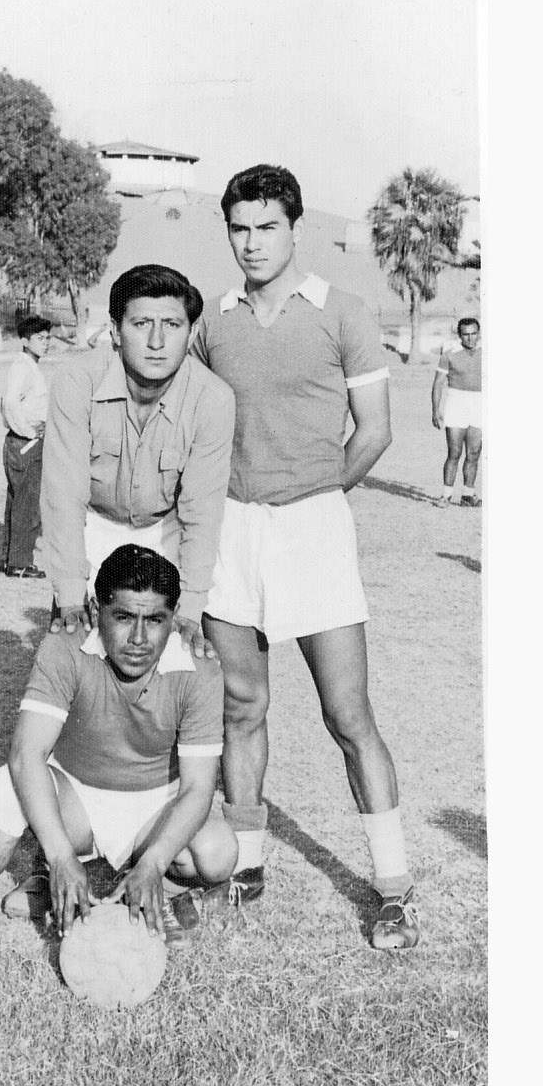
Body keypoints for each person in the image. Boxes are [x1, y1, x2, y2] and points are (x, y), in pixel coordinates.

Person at [190, 163, 419, 951]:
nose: (253, 243)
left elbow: (375, 431)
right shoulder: (213, 320)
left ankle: (393, 889)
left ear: (295, 229)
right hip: (232, 534)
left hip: (314, 529)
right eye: (240, 229)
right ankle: (246, 866)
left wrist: (317, 495)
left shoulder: (341, 311)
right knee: (241, 708)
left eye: (267, 227)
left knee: (348, 717)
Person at [0, 546, 239, 994]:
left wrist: (154, 862)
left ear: (174, 618)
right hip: (77, 797)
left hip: (156, 804)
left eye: (155, 620)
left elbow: (198, 788)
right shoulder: (65, 646)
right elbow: (26, 754)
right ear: (97, 611)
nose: (139, 638)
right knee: (10, 784)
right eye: (124, 617)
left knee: (217, 854)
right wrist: (61, 856)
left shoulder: (199, 668)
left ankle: (160, 889)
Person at [40, 263, 236, 659]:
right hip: (92, 521)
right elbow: (64, 496)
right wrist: (71, 595)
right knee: (78, 650)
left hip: (165, 526)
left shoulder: (214, 398)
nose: (157, 341)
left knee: (170, 658)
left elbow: (202, 511)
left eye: (172, 325)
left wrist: (190, 608)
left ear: (192, 333)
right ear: (115, 331)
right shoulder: (76, 381)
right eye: (142, 323)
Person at [0, 316, 52, 577]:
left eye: (47, 338)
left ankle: (11, 559)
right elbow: (9, 403)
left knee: (18, 502)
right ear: (24, 341)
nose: (46, 343)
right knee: (27, 504)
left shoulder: (29, 366)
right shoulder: (23, 367)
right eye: (40, 338)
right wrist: (30, 431)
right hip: (25, 443)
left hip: (23, 441)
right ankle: (20, 563)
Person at [431, 317, 482, 507]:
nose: (470, 338)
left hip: (479, 404)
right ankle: (446, 495)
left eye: (474, 333)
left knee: (474, 452)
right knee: (454, 452)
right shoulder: (449, 355)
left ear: (479, 333)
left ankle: (468, 495)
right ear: (460, 335)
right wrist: (435, 410)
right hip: (456, 403)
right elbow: (438, 384)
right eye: (466, 334)